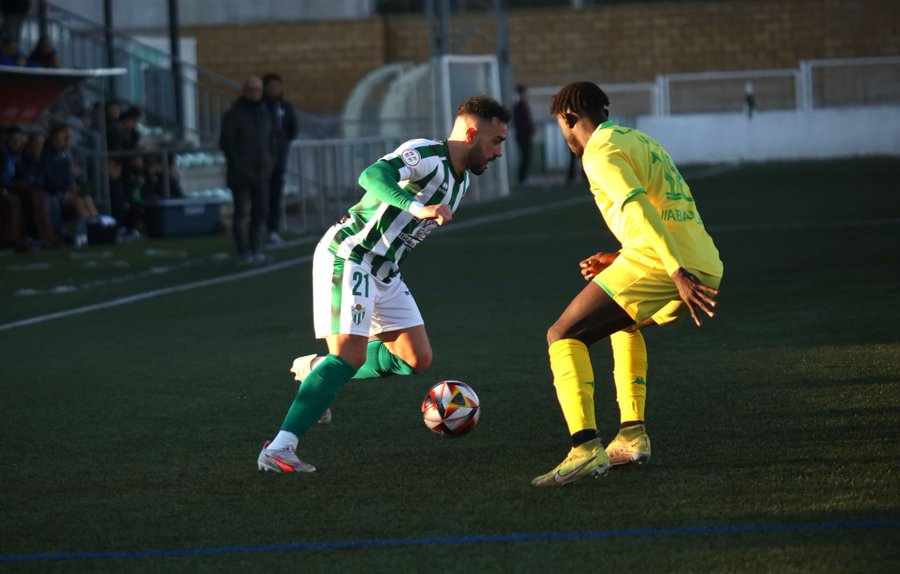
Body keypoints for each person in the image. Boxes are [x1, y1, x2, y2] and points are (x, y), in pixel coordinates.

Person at [257, 95, 510, 474]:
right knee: (349, 356)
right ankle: (280, 447)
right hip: (351, 255)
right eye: (496, 141)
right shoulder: (426, 154)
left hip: (385, 270)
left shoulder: (460, 185)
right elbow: (371, 177)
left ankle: (317, 369)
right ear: (472, 133)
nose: (499, 152)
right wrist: (416, 206)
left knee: (415, 358)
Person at [531, 82, 723, 487]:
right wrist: (619, 257)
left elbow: (638, 208)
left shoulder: (598, 150)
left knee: (562, 335)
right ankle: (632, 435)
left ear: (568, 117)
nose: (564, 137)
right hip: (703, 260)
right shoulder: (640, 140)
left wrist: (674, 271)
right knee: (625, 323)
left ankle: (584, 449)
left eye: (561, 127)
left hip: (667, 264)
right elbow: (670, 208)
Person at [219, 76, 274, 263]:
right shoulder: (234, 114)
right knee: (241, 211)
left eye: (258, 89)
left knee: (260, 211)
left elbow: (272, 140)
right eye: (251, 89)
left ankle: (255, 246)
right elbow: (227, 143)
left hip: (262, 171)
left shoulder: (265, 113)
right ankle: (243, 250)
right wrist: (239, 164)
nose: (255, 93)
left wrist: (269, 161)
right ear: (244, 91)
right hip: (241, 173)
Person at [262, 72, 299, 245]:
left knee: (275, 195)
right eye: (271, 86)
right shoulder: (261, 108)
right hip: (260, 161)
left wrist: (281, 144)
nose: (275, 89)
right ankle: (257, 230)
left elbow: (292, 130)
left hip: (279, 159)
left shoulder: (285, 107)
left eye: (277, 86)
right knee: (261, 196)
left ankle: (272, 230)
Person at [512, 84, 535, 187]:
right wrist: (527, 130)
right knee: (526, 157)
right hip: (522, 136)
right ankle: (521, 178)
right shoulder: (519, 106)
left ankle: (523, 177)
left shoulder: (524, 105)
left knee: (527, 157)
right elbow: (520, 122)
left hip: (525, 135)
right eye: (525, 92)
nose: (527, 94)